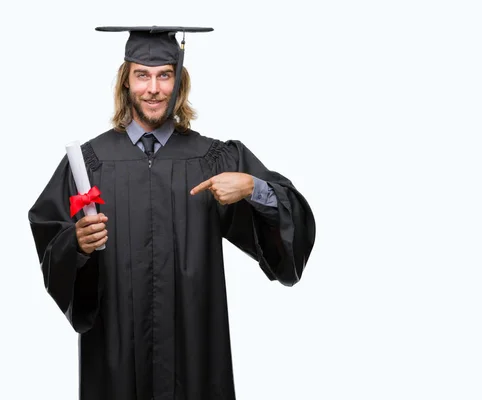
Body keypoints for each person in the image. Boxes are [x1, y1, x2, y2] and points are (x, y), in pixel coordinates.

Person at [28, 25, 316, 400]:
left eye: (165, 75)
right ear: (126, 82)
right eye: (142, 75)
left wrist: (252, 187)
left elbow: (292, 217)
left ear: (179, 83)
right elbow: (49, 237)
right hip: (115, 350)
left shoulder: (214, 159)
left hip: (194, 349)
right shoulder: (90, 163)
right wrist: (76, 245)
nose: (153, 88)